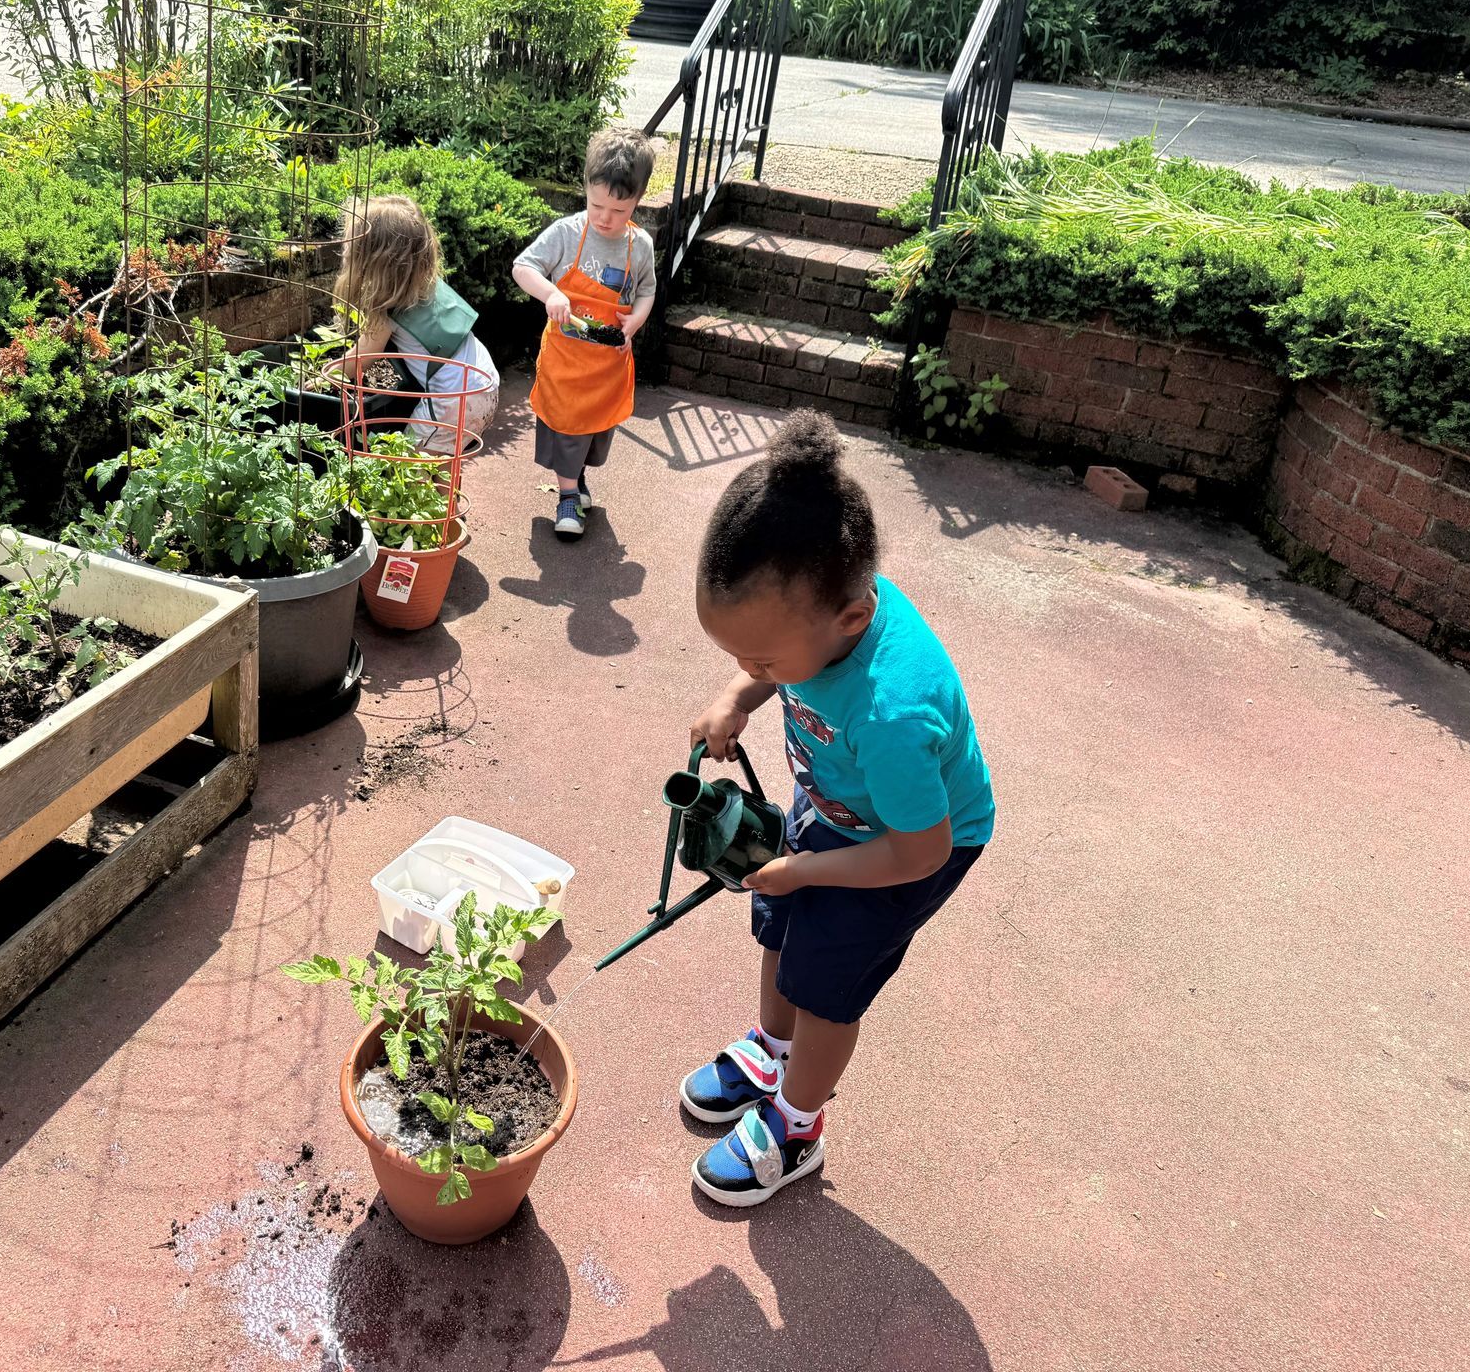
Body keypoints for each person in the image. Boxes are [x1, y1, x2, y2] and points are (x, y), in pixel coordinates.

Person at [681, 411, 996, 1207]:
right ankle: (769, 1047)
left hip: (913, 842)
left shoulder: (895, 711)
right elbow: (785, 666)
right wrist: (737, 695)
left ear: (853, 618)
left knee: (826, 984)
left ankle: (797, 1123)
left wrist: (808, 868)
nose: (753, 670)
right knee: (782, 929)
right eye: (735, 657)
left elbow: (918, 854)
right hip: (839, 810)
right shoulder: (823, 612)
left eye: (761, 660)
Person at [512, 128, 658, 541]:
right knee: (568, 429)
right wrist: (552, 292)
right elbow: (522, 268)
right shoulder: (566, 233)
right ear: (585, 189)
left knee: (595, 435)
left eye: (619, 209)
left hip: (608, 365)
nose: (605, 218)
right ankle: (568, 495)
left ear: (638, 199)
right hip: (566, 362)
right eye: (596, 205)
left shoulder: (640, 246)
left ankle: (576, 478)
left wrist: (636, 320)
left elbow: (646, 289)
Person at [336, 194, 499, 455]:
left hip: (454, 399)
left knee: (410, 463)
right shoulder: (429, 288)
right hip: (485, 382)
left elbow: (360, 359)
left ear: (377, 263)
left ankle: (427, 496)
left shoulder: (385, 311)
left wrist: (323, 373)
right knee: (444, 461)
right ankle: (448, 497)